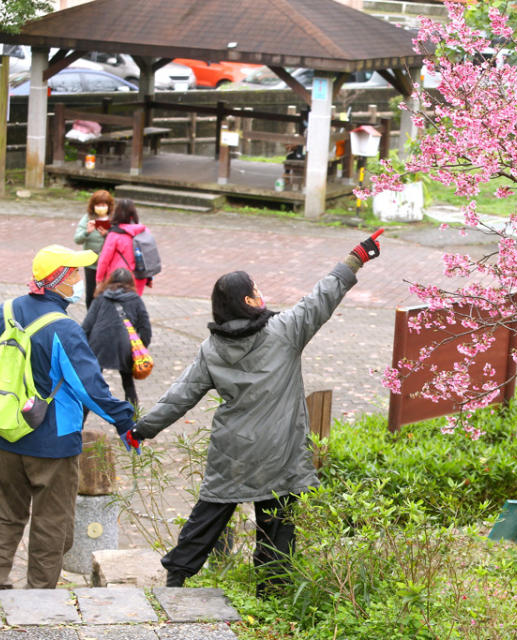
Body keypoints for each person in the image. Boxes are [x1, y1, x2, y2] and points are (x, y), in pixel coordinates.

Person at [127, 229, 384, 595]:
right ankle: (273, 594)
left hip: (233, 451)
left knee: (210, 515)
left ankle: (176, 578)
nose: (262, 294)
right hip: (280, 451)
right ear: (249, 300)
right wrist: (356, 256)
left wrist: (141, 430)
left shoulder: (212, 349)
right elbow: (323, 296)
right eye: (257, 290)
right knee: (277, 526)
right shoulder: (286, 331)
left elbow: (178, 398)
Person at [0, 245, 138, 590]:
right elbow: (90, 388)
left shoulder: (3, 312)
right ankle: (39, 599)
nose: (80, 281)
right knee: (52, 523)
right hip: (53, 443)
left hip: (7, 433)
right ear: (57, 281)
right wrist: (125, 421)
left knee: (7, 514)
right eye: (74, 274)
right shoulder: (63, 328)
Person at [82, 268, 152, 407]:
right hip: (124, 345)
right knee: (128, 384)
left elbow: (86, 326)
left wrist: (82, 350)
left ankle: (79, 422)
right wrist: (139, 350)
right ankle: (133, 423)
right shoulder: (135, 299)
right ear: (131, 282)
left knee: (92, 385)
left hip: (98, 344)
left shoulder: (100, 298)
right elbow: (146, 329)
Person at [96, 198, 150, 295]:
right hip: (139, 276)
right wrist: (150, 277)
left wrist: (99, 279)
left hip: (118, 277)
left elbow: (104, 259)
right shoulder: (143, 231)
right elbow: (149, 254)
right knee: (133, 306)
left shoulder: (115, 234)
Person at [73, 189, 114, 308]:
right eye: (98, 205)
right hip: (91, 262)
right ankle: (91, 320)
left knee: (106, 293)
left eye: (104, 205)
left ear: (109, 206)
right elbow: (77, 239)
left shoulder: (113, 219)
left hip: (108, 263)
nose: (101, 207)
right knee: (90, 294)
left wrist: (107, 234)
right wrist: (87, 232)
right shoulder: (88, 218)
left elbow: (118, 241)